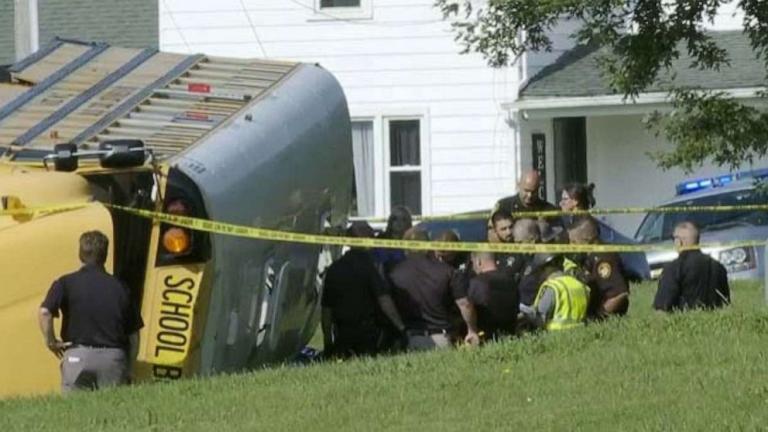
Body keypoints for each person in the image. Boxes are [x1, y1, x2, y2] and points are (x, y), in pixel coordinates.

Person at [38, 231, 143, 393]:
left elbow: (45, 312)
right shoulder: (121, 287)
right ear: (105, 256)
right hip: (113, 360)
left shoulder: (65, 282)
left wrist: (51, 342)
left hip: (77, 356)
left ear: (80, 254)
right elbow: (134, 335)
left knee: (74, 414)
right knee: (112, 413)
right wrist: (130, 366)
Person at [321, 222, 406, 357]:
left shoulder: (334, 269)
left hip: (343, 335)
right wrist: (401, 328)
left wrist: (327, 341)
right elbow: (384, 300)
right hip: (368, 335)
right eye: (370, 235)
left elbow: (326, 310)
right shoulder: (369, 266)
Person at [388, 228, 481, 350]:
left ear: (404, 248)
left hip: (409, 338)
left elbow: (387, 304)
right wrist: (472, 330)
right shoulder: (447, 271)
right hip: (440, 339)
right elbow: (465, 304)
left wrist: (401, 328)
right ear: (428, 245)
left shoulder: (394, 274)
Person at [653, 221, 730, 312]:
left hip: (684, 324)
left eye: (674, 239)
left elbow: (662, 307)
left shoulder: (673, 268)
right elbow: (726, 302)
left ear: (679, 241)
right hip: (716, 324)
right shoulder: (719, 267)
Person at [568, 216, 630, 316]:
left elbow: (619, 294)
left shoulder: (604, 259)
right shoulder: (588, 257)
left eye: (574, 242)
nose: (571, 246)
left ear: (587, 239)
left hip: (607, 319)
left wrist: (601, 315)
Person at [522, 253, 591, 331]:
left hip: (556, 335)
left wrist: (524, 311)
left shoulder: (553, 287)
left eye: (541, 270)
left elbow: (541, 319)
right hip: (580, 333)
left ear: (546, 268)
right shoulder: (580, 285)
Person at [467, 251, 519, 340]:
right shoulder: (511, 281)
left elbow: (468, 307)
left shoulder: (476, 283)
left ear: (478, 261)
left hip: (485, 336)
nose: (472, 267)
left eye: (472, 263)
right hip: (510, 334)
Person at [493, 170, 562, 229]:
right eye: (526, 190)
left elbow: (559, 235)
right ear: (518, 185)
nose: (530, 195)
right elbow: (491, 233)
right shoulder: (503, 206)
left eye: (534, 191)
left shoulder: (549, 210)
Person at [373, 205, 413, 274]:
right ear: (390, 221)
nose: (399, 222)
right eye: (395, 218)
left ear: (408, 223)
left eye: (403, 219)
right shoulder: (381, 239)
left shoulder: (413, 241)